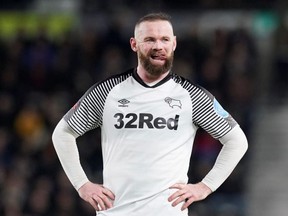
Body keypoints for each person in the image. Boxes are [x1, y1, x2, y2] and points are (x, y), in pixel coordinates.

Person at [52, 12, 248, 216]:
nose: (158, 46)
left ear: (174, 44)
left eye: (164, 39)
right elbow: (62, 133)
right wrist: (82, 184)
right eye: (149, 40)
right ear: (134, 44)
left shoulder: (192, 96)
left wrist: (205, 186)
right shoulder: (107, 91)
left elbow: (237, 141)